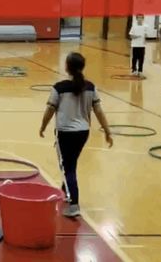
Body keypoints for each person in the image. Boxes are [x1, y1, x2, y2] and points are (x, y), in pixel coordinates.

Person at [40, 52, 113, 218]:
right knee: (70, 163)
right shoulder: (90, 87)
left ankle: (74, 204)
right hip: (83, 133)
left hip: (65, 133)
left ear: (67, 67)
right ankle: (65, 190)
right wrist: (107, 131)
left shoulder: (59, 88)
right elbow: (99, 111)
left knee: (68, 167)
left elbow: (50, 109)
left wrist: (42, 126)